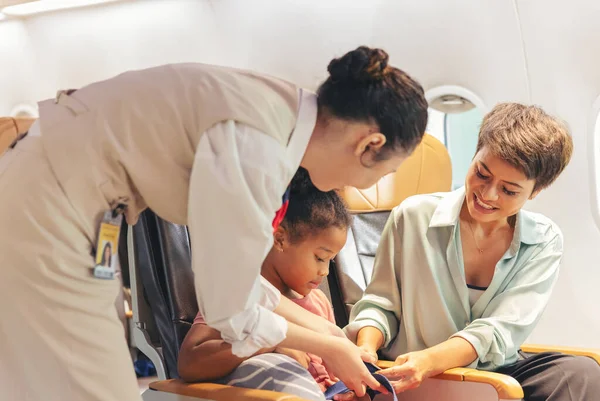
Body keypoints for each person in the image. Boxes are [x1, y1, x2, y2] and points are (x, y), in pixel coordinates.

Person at [0, 46, 427, 401]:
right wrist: (328, 347)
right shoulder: (258, 145)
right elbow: (230, 313)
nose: (374, 184)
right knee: (97, 386)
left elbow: (239, 284)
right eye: (387, 171)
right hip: (51, 204)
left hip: (65, 200)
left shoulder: (280, 120)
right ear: (370, 144)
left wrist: (333, 338)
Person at [345, 103, 600, 400]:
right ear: (474, 156)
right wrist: (365, 348)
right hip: (409, 372)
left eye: (509, 190)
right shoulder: (412, 216)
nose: (487, 195)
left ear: (535, 192)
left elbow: (500, 331)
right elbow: (381, 304)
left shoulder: (543, 240)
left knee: (583, 374)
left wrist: (431, 361)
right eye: (482, 173)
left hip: (491, 374)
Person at [179, 167, 365, 401]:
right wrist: (266, 345)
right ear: (279, 238)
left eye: (330, 261)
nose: (325, 271)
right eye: (319, 257)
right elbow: (189, 363)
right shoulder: (238, 292)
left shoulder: (319, 303)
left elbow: (331, 372)